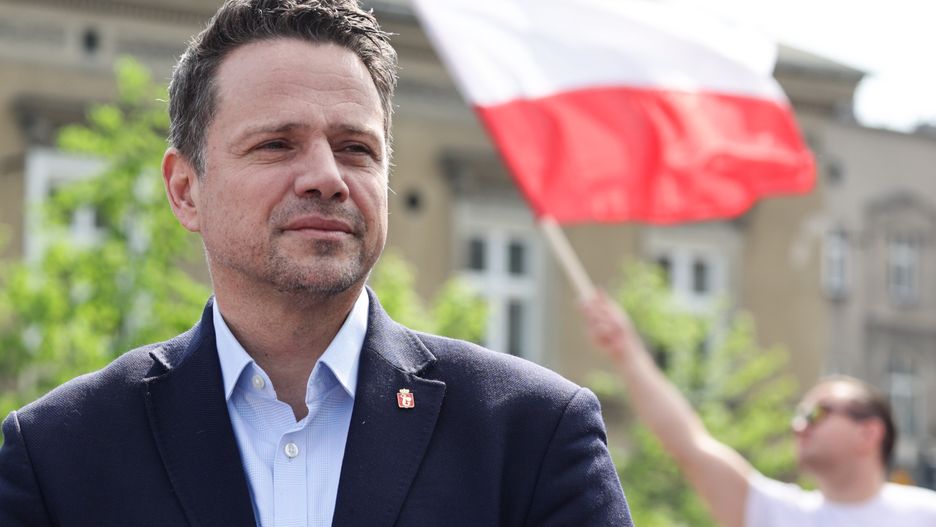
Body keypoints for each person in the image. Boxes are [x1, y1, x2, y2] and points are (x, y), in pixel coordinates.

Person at [0, 1, 633, 525]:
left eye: (355, 148)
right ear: (186, 189)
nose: (327, 178)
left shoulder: (530, 434)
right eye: (277, 144)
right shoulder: (61, 452)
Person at [581, 290, 936, 527]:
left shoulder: (925, 514)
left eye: (816, 413)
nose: (799, 426)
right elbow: (689, 445)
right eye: (798, 415)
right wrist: (626, 353)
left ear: (869, 432)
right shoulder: (779, 515)